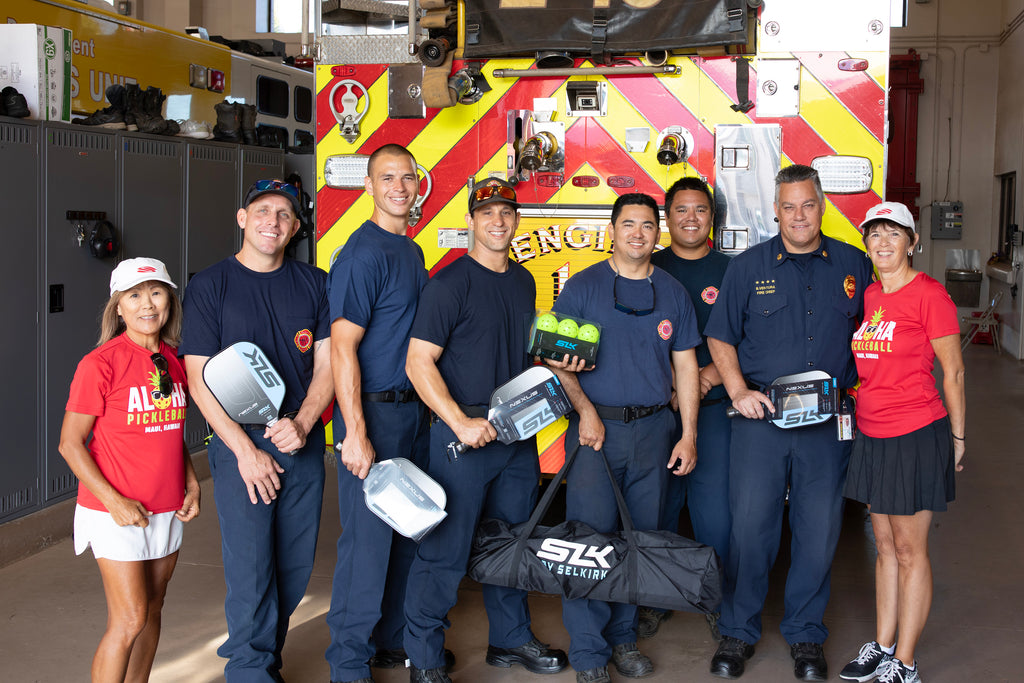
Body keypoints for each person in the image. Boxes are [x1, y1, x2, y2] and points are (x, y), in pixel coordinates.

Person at [704, 164, 874, 681]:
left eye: (808, 204)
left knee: (818, 531)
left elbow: (877, 331)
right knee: (752, 530)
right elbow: (721, 336)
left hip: (827, 423)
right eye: (789, 206)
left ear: (821, 206)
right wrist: (737, 390)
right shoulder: (747, 267)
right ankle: (738, 630)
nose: (799, 215)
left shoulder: (854, 265)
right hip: (762, 423)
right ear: (775, 211)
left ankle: (804, 634)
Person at [403, 178, 569, 683]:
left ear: (516, 220)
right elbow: (417, 362)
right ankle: (426, 658)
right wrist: (459, 422)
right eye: (487, 213)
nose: (498, 221)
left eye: (506, 212)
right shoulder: (449, 284)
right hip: (463, 439)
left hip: (515, 436)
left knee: (513, 544)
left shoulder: (522, 281)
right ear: (472, 221)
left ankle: (510, 638)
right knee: (445, 551)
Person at [180, 179, 334, 682]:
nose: (274, 221)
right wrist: (245, 451)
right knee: (250, 569)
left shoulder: (316, 283)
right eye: (263, 210)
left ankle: (259, 655)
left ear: (294, 229)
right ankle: (249, 670)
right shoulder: (210, 285)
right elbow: (198, 378)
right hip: (239, 444)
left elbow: (329, 366)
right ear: (242, 218)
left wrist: (306, 422)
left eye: (285, 215)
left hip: (300, 443)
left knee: (292, 571)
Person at [550, 192, 702, 683]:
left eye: (647, 225)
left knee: (639, 540)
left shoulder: (674, 293)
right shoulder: (584, 288)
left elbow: (685, 367)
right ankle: (591, 653)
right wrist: (586, 413)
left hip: (655, 430)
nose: (638, 233)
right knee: (588, 543)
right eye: (628, 224)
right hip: (597, 433)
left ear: (657, 234)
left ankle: (623, 637)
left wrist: (689, 434)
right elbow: (556, 360)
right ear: (612, 230)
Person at [325, 144, 446, 683]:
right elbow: (341, 347)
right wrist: (354, 432)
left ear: (420, 185)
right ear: (368, 187)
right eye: (387, 178)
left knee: (405, 534)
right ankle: (347, 667)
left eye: (408, 177)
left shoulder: (409, 250)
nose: (399, 186)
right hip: (371, 417)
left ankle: (389, 643)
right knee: (366, 550)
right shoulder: (363, 254)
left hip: (409, 414)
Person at [838, 202, 965, 683]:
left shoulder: (929, 295)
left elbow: (952, 370)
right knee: (885, 547)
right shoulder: (871, 295)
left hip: (915, 431)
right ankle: (883, 644)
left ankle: (905, 662)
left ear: (912, 242)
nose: (883, 243)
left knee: (911, 551)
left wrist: (957, 435)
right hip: (872, 431)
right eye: (875, 235)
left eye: (895, 234)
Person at [59, 257, 200, 682]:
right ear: (118, 307)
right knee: (130, 617)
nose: (147, 305)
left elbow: (169, 432)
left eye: (156, 293)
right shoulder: (99, 364)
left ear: (170, 301)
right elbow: (70, 444)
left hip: (165, 507)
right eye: (135, 296)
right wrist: (114, 502)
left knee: (153, 607)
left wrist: (190, 482)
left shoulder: (175, 362)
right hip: (114, 510)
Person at [640, 177, 733, 641]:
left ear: (711, 218)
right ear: (666, 218)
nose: (690, 218)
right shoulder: (646, 268)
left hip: (713, 410)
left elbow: (745, 339)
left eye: (700, 210)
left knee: (715, 512)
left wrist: (702, 380)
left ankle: (717, 601)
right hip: (658, 412)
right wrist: (670, 388)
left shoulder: (731, 271)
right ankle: (656, 599)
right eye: (681, 210)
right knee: (656, 510)